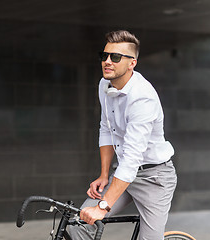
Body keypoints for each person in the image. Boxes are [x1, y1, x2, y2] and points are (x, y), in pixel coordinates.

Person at [68, 30, 177, 240]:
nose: (107, 61)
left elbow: (133, 158)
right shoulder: (104, 84)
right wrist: (103, 174)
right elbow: (106, 128)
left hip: (154, 177)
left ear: (132, 63)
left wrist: (102, 206)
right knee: (78, 225)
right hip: (123, 172)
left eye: (115, 57)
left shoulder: (142, 98)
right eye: (104, 55)